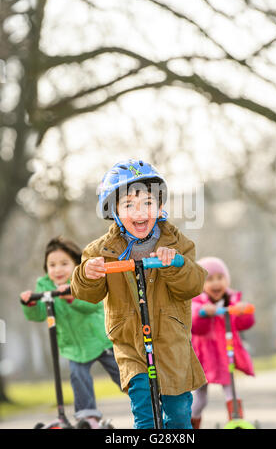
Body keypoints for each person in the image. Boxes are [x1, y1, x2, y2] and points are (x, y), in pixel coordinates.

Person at [71, 159, 208, 429]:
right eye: (129, 205)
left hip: (171, 342)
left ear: (159, 207)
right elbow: (86, 294)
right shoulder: (102, 251)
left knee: (179, 415)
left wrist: (175, 264)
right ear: (114, 210)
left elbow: (194, 284)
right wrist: (88, 273)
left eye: (147, 203)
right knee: (144, 415)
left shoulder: (178, 243)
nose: (140, 211)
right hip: (131, 344)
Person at [20, 236, 121, 428]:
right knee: (78, 376)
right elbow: (40, 314)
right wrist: (31, 303)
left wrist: (72, 298)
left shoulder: (83, 278)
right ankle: (89, 416)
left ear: (75, 263)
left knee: (122, 372)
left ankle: (146, 400)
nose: (57, 270)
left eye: (64, 263)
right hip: (73, 345)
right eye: (52, 265)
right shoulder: (45, 285)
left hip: (99, 338)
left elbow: (94, 305)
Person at [190, 256, 255, 429]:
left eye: (220, 278)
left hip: (226, 356)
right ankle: (190, 424)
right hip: (203, 358)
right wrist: (204, 313)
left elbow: (244, 324)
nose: (216, 283)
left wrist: (243, 311)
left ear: (226, 279)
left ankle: (236, 422)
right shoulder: (196, 302)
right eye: (209, 279)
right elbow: (195, 325)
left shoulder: (232, 300)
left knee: (232, 392)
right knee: (200, 398)